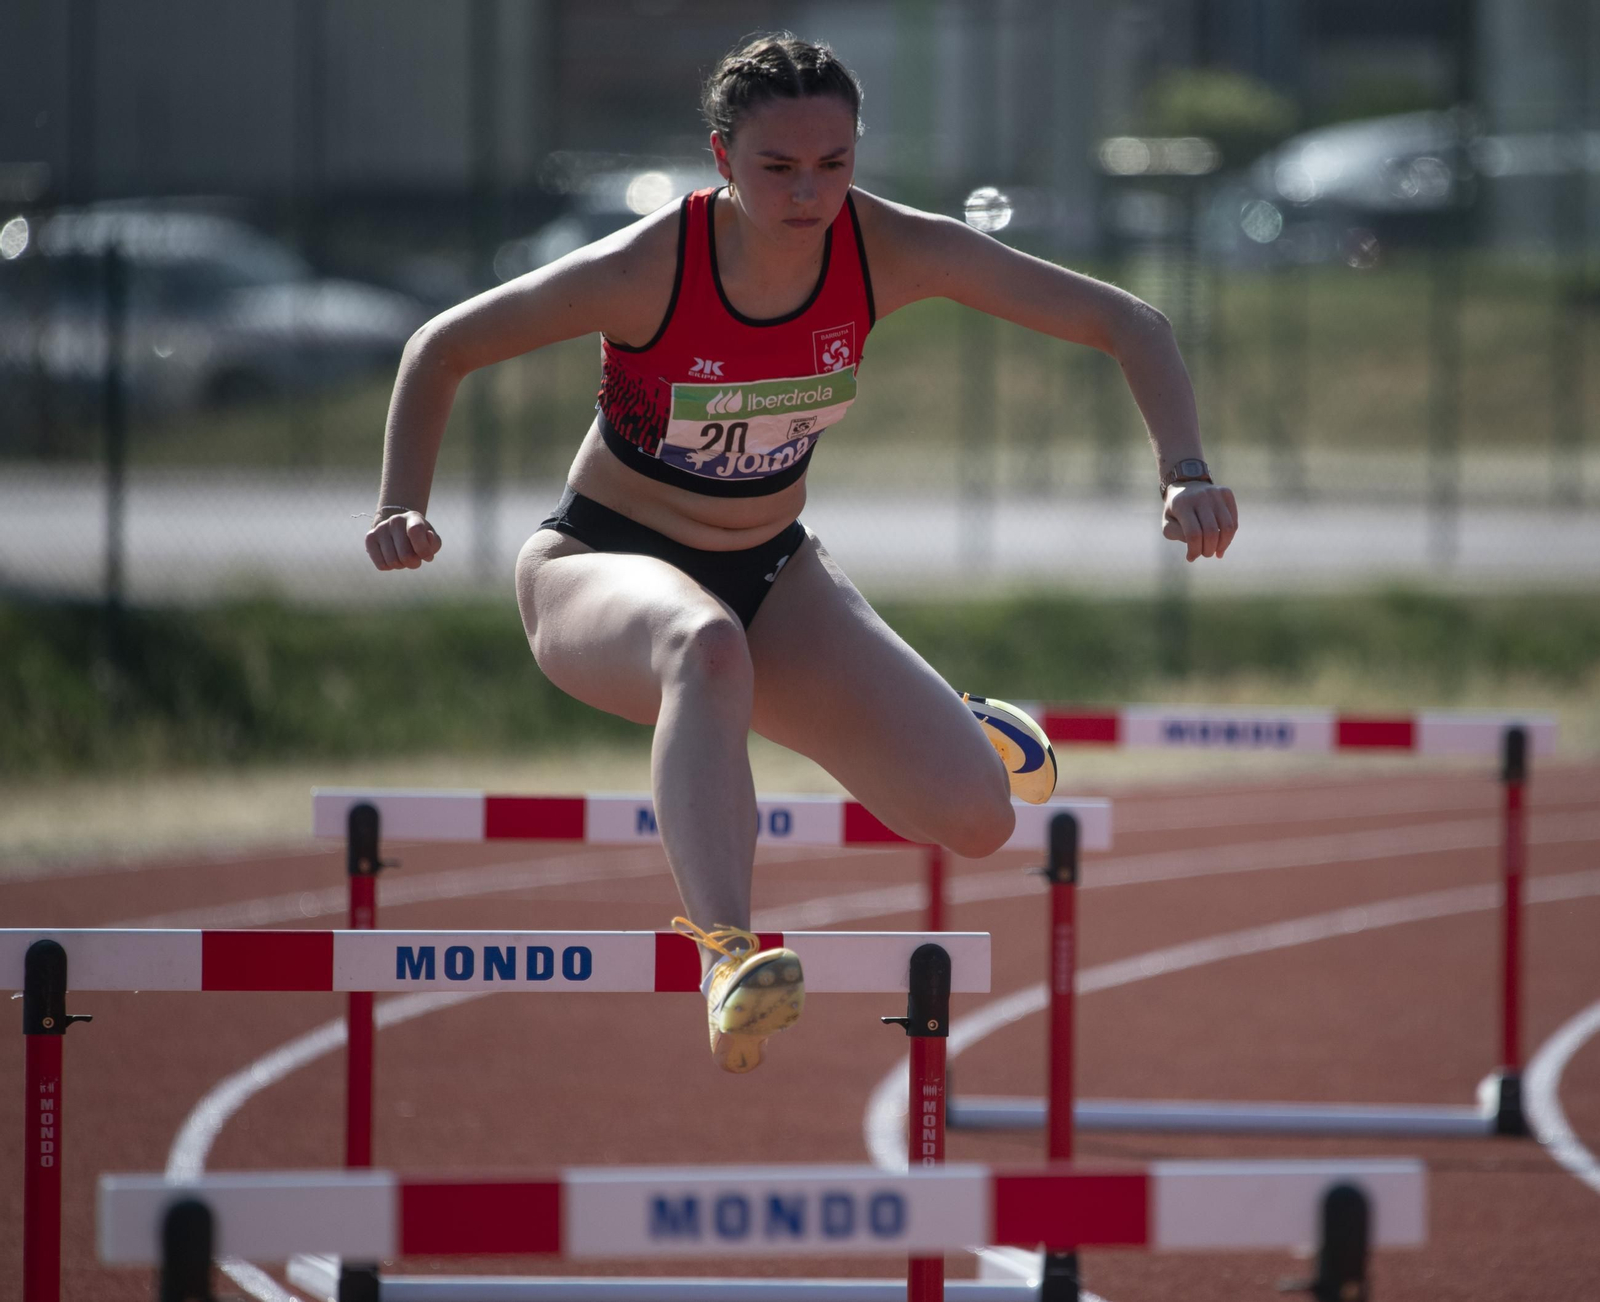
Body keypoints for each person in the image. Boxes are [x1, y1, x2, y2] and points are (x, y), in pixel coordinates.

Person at [366, 33, 1238, 1074]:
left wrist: (1183, 469)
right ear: (721, 157)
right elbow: (442, 346)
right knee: (701, 644)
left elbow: (1126, 322)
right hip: (599, 563)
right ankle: (729, 954)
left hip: (777, 572)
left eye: (834, 164)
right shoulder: (651, 266)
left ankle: (959, 723)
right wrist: (401, 503)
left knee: (974, 819)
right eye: (778, 167)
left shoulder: (889, 248)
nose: (808, 192)